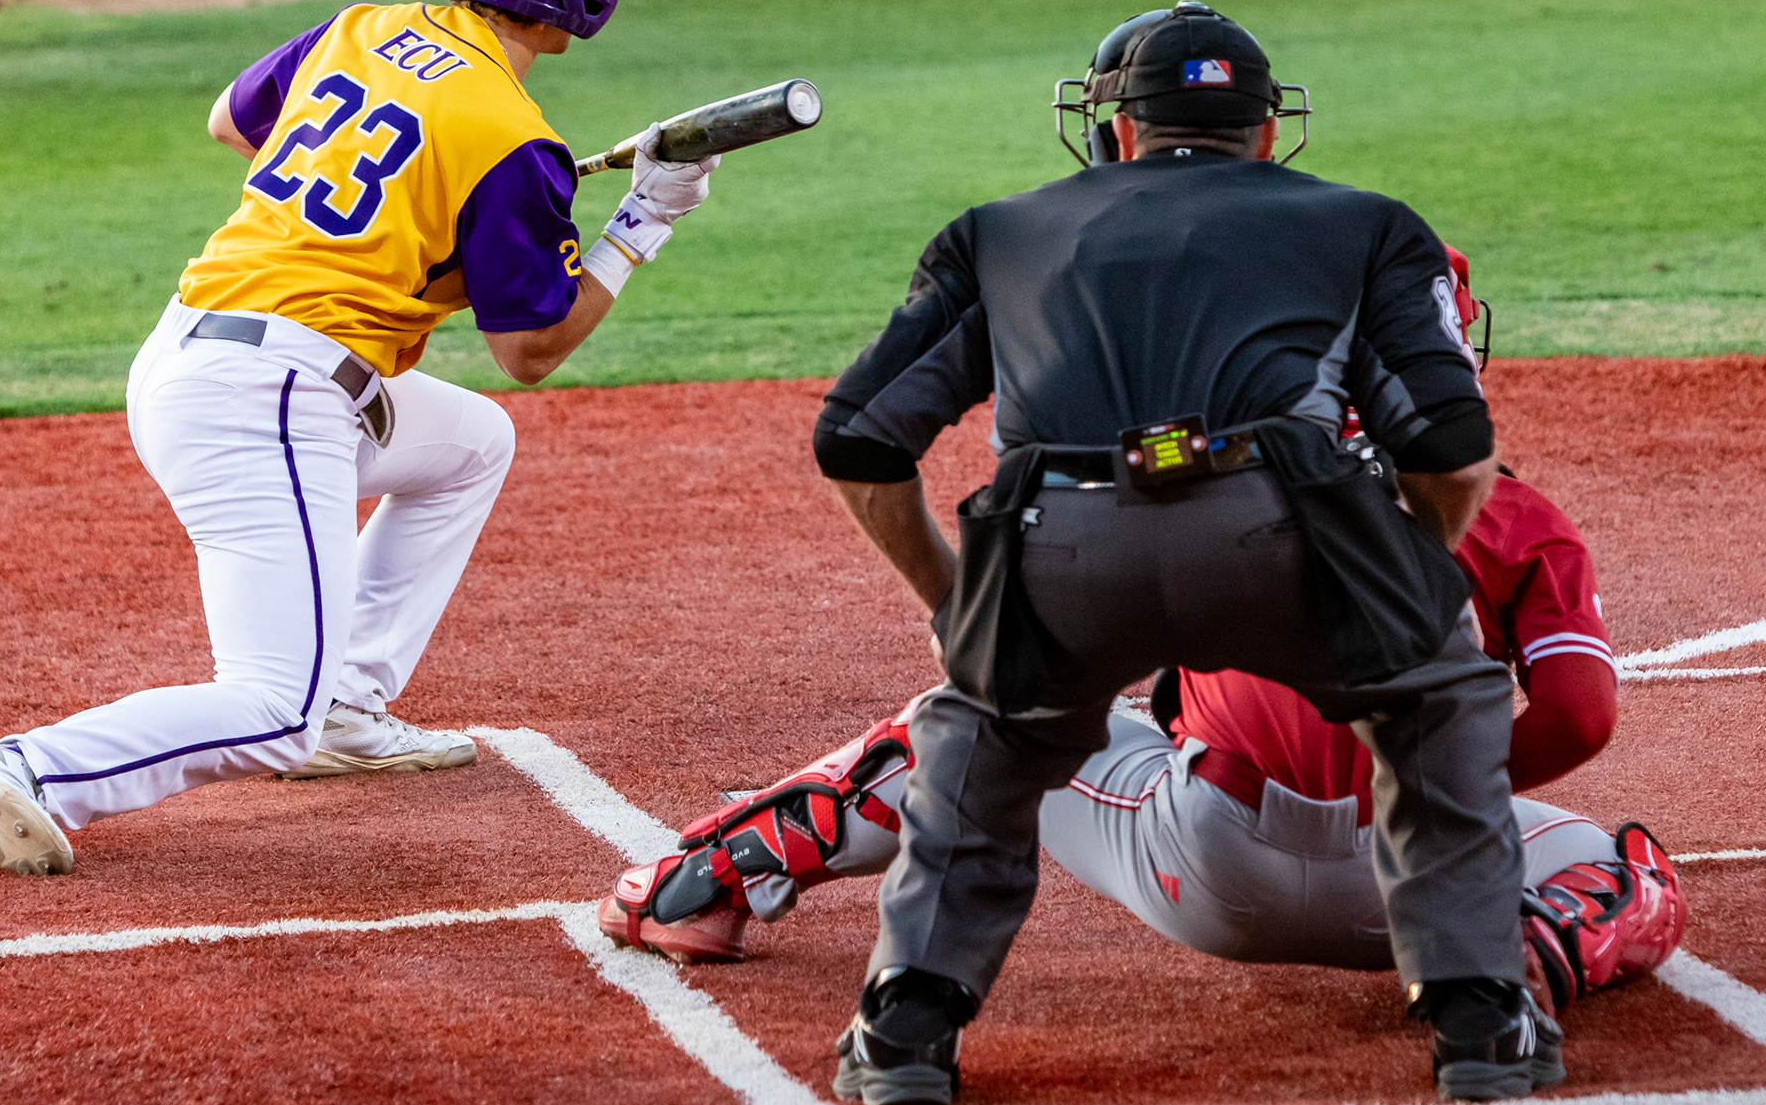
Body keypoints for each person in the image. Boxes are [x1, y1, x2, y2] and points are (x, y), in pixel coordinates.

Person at [757, 0, 1553, 1105]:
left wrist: (959, 606)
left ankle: (905, 1029)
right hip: (1288, 537)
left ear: (1119, 129)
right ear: (1267, 132)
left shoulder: (998, 231)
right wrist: (1401, 583)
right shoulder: (1367, 224)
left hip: (1058, 542)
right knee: (1441, 695)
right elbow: (1456, 450)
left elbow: (856, 441)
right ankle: (1481, 1021)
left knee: (984, 733)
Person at [0, 0, 721, 878]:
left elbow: (231, 122)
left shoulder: (363, 28)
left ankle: (350, 706)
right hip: (269, 401)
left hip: (188, 351)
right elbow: (533, 349)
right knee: (270, 706)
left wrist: (417, 221)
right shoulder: (516, 140)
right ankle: (29, 766)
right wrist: (643, 220)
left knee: (472, 443)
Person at [597, 413, 1687, 1034]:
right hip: (1418, 895)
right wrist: (1431, 789)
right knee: (1627, 867)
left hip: (1206, 862)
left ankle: (705, 883)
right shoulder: (1521, 514)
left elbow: (1021, 655)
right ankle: (1540, 945)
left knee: (965, 725)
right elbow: (1581, 717)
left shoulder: (1194, 469)